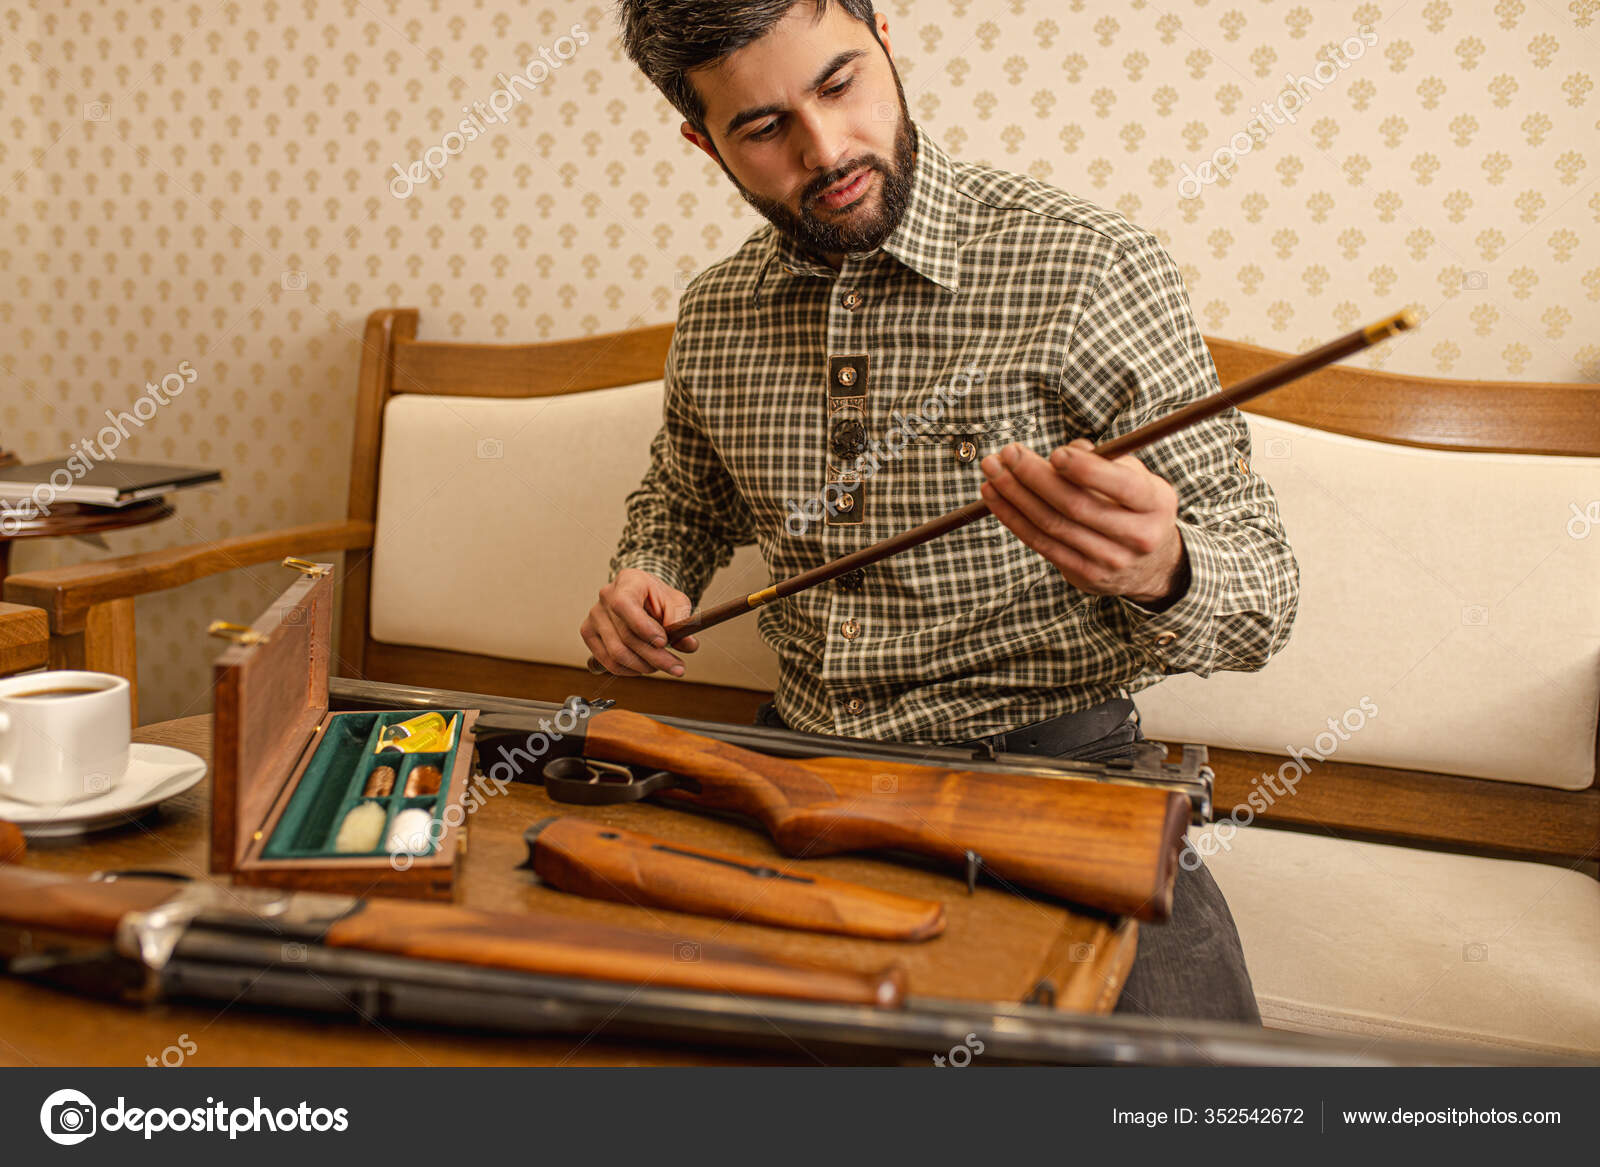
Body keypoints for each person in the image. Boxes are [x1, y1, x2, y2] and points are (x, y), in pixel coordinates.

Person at [584, 0, 1300, 1023]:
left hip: (1056, 780)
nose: (825, 149)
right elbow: (684, 500)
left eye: (838, 85)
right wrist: (650, 570)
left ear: (885, 41)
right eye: (762, 126)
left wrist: (1163, 567)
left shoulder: (1089, 266)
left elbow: (1264, 592)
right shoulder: (713, 314)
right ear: (704, 142)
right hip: (796, 774)